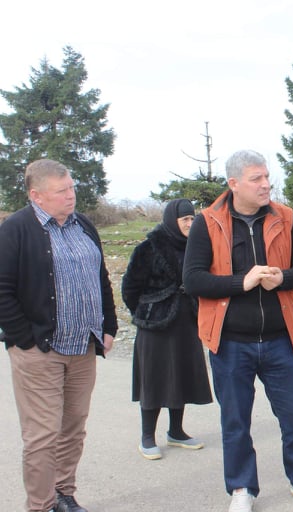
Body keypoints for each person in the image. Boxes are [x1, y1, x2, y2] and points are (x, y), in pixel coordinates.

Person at [182, 150, 293, 511]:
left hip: (281, 340)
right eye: (256, 179)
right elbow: (193, 280)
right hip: (230, 343)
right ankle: (242, 489)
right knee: (235, 421)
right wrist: (240, 282)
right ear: (234, 184)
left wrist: (283, 278)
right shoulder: (207, 222)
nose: (266, 185)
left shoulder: (286, 217)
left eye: (267, 177)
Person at [0, 159, 118, 512]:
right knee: (42, 436)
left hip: (83, 346)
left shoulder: (83, 225)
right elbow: (2, 289)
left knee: (73, 429)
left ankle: (63, 494)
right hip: (40, 350)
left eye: (72, 187)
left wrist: (109, 327)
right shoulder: (15, 230)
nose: (71, 195)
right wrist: (25, 338)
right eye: (61, 191)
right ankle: (41, 504)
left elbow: (100, 279)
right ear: (36, 195)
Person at [121, 198, 213, 461]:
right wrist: (147, 311)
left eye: (192, 218)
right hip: (155, 325)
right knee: (154, 378)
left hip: (187, 321)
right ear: (172, 220)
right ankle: (147, 436)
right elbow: (130, 288)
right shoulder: (148, 248)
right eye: (184, 219)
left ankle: (176, 431)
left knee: (181, 374)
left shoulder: (196, 247)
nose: (189, 223)